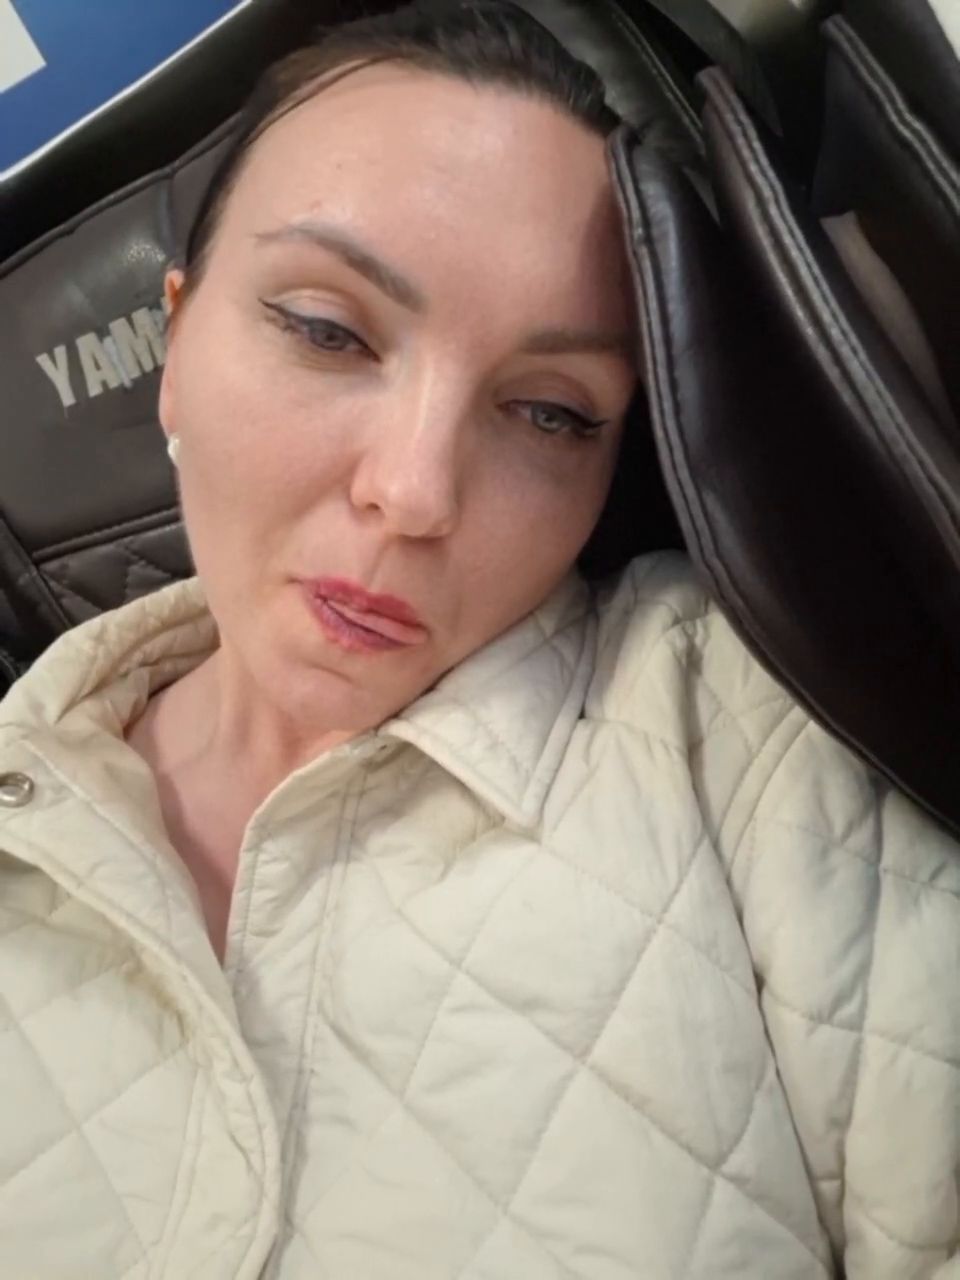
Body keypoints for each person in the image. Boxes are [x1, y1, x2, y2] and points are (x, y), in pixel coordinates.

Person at [0, 3, 957, 1277]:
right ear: (175, 344)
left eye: (551, 413)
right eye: (329, 330)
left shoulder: (732, 723)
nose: (415, 493)